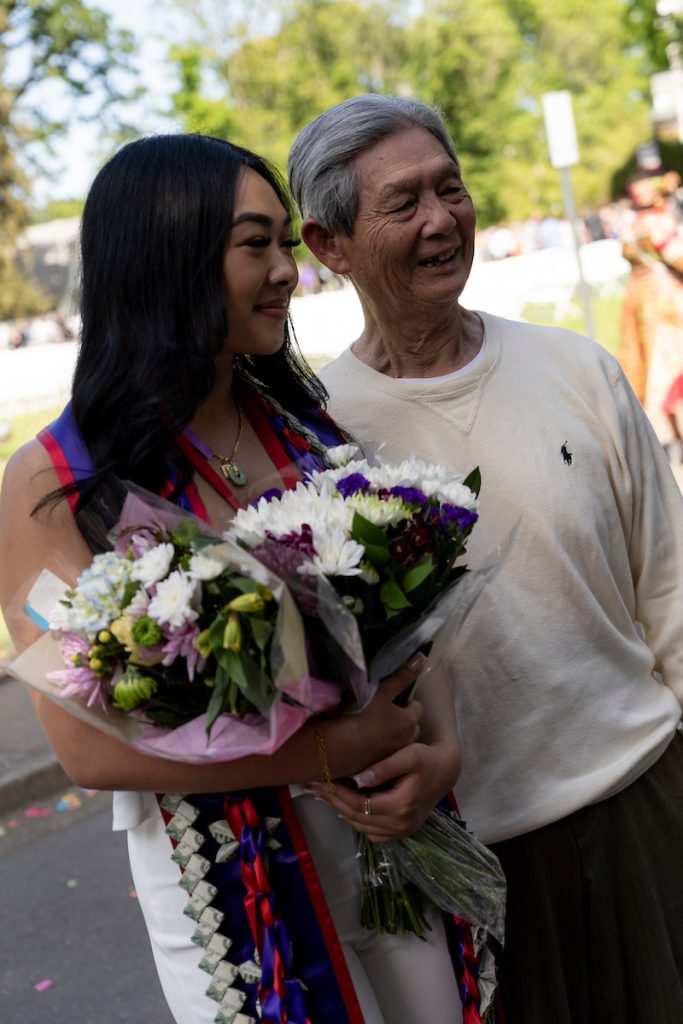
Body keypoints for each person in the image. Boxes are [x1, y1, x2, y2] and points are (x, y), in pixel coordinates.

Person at [0, 134, 469, 1024]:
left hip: (386, 836)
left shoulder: (306, 427)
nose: (289, 271)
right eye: (256, 245)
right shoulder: (54, 478)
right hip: (228, 872)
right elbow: (87, 747)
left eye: (285, 244)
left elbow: (414, 619)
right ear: (166, 260)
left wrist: (436, 747)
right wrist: (331, 750)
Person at [288, 93, 683, 1023]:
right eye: (402, 203)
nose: (441, 220)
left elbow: (668, 590)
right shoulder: (314, 439)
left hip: (645, 806)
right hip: (471, 858)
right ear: (328, 244)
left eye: (451, 188)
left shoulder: (576, 368)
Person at [619, 168, 683, 440]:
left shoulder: (633, 225)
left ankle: (676, 435)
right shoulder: (657, 222)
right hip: (665, 299)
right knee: (673, 363)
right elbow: (675, 256)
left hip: (639, 298)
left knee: (656, 366)